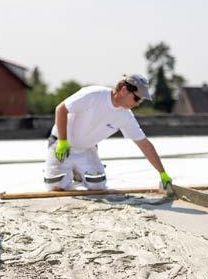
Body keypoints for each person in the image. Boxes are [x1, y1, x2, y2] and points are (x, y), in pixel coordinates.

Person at [44, 74, 173, 191]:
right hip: (61, 146)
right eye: (136, 98)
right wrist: (62, 140)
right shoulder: (93, 94)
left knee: (98, 186)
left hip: (86, 149)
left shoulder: (125, 116)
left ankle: (78, 171)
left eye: (140, 101)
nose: (138, 103)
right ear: (124, 90)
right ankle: (70, 170)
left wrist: (162, 172)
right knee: (56, 186)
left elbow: (144, 144)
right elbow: (61, 109)